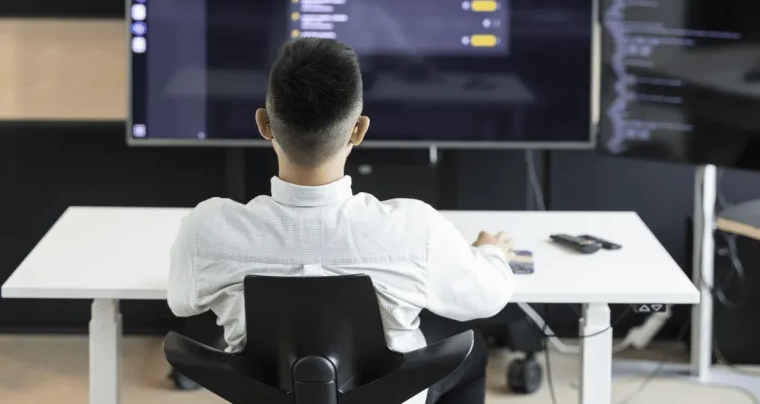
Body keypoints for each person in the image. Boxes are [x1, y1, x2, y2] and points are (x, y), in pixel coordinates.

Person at [168, 37, 517, 404]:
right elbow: (487, 297)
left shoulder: (206, 228)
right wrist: (491, 254)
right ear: (359, 129)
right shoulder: (416, 229)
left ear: (263, 123)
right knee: (470, 351)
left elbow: (181, 302)